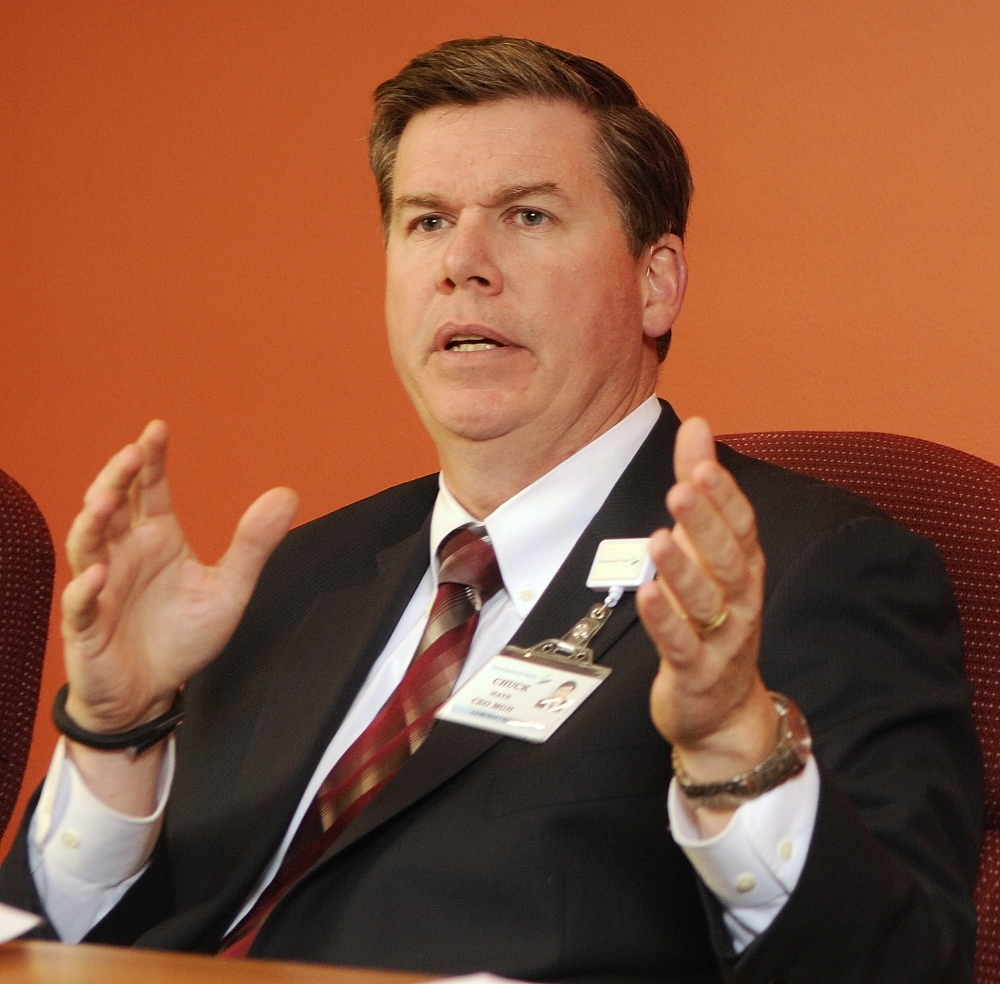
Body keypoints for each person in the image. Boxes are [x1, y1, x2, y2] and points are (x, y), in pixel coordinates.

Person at [0, 36, 982, 984]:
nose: (460, 263)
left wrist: (736, 752)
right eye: (425, 220)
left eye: (527, 217)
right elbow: (37, 949)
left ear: (656, 282)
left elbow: (897, 966)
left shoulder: (807, 573)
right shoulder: (293, 582)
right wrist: (114, 734)